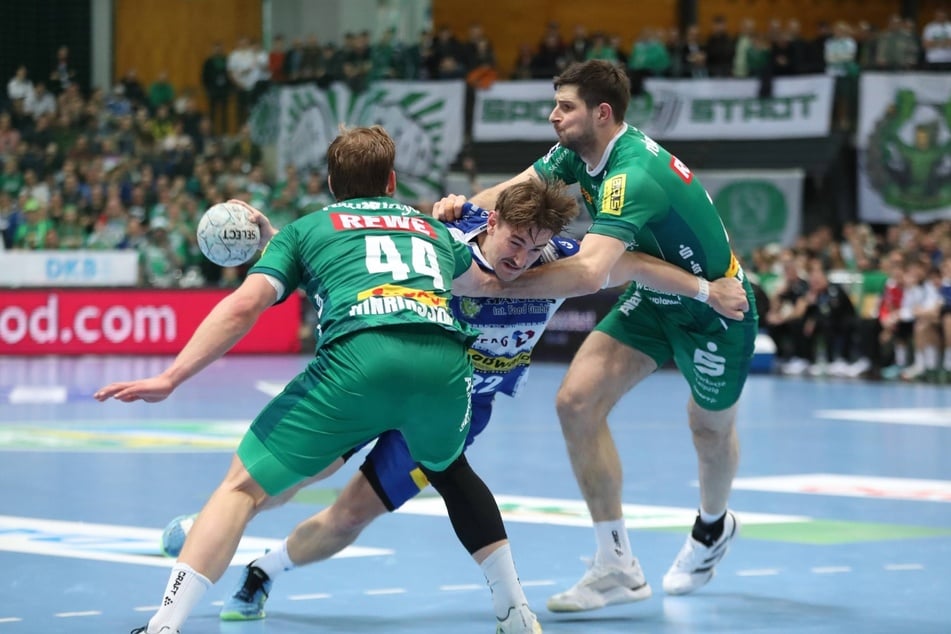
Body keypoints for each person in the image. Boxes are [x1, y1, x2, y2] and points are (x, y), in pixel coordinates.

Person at [163, 178, 749, 625]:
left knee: (348, 516)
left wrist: (705, 286)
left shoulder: (561, 259)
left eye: (534, 247)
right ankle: (209, 526)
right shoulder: (448, 236)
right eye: (514, 242)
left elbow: (633, 265)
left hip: (453, 413)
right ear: (490, 221)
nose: (521, 259)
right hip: (393, 370)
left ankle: (264, 568)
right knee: (300, 472)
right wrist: (272, 240)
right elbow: (359, 244)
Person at [95, 126, 543, 634]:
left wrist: (172, 376)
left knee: (241, 487)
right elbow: (483, 282)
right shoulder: (432, 230)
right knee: (453, 476)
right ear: (392, 182)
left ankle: (163, 626)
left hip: (359, 366)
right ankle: (515, 612)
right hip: (443, 370)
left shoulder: (306, 230)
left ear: (331, 183)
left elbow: (245, 306)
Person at [434, 59, 758, 613]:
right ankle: (618, 566)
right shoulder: (574, 154)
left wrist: (497, 285)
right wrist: (456, 210)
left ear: (601, 113)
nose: (553, 115)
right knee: (576, 404)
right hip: (653, 298)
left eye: (565, 107)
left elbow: (588, 273)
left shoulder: (631, 175)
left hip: (715, 310)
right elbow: (515, 191)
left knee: (708, 429)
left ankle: (712, 525)